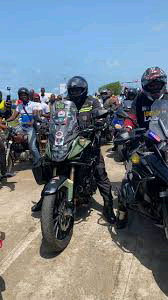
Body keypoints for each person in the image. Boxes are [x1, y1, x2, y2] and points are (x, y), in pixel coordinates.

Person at [32, 76, 116, 224]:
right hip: (67, 141)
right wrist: (46, 125)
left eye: (78, 90)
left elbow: (101, 114)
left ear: (84, 90)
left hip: (87, 143)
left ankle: (108, 207)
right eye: (73, 90)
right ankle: (45, 198)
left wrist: (101, 122)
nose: (75, 92)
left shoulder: (92, 102)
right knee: (49, 164)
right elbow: (54, 118)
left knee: (100, 173)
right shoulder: (62, 103)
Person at [117, 66, 168, 229]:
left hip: (165, 139)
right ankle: (122, 212)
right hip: (144, 140)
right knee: (131, 173)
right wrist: (127, 129)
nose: (154, 88)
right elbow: (131, 117)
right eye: (151, 85)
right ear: (145, 86)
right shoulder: (139, 99)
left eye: (157, 84)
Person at [7, 88, 41, 166]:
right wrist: (5, 121)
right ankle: (15, 151)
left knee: (32, 147)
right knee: (10, 133)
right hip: (22, 126)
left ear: (28, 95)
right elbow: (13, 117)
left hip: (31, 127)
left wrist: (31, 122)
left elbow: (35, 115)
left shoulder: (33, 104)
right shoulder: (19, 106)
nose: (23, 97)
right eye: (21, 95)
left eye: (24, 95)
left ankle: (39, 161)